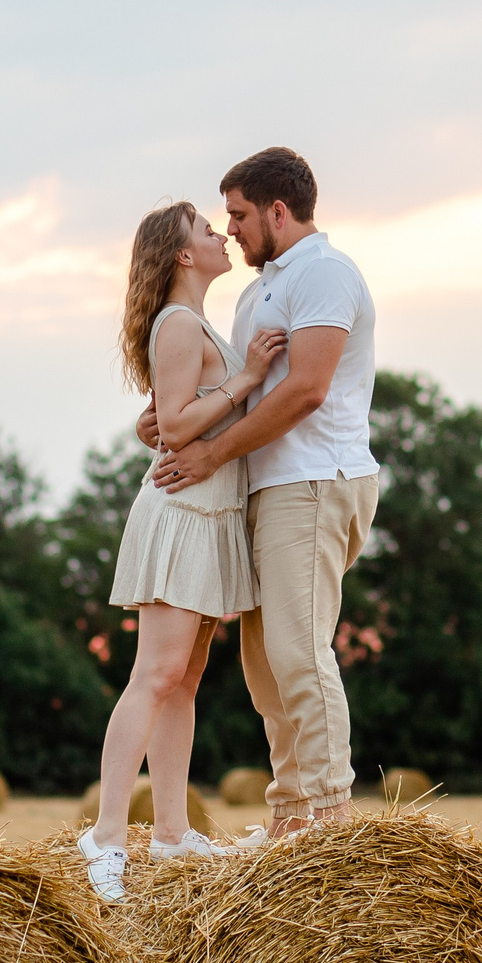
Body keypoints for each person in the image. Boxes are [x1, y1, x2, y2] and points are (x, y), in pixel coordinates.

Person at [146, 146, 381, 841]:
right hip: (264, 486)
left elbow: (306, 389)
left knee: (298, 649)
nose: (232, 229)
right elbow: (238, 394)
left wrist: (212, 451)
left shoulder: (327, 273)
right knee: (262, 663)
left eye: (240, 214)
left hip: (312, 481)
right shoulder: (259, 290)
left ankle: (331, 818)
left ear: (279, 210)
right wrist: (166, 420)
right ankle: (291, 814)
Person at [77, 199, 287, 903]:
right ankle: (106, 833)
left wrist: (226, 384)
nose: (220, 233)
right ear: (181, 255)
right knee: (155, 673)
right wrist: (248, 379)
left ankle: (171, 831)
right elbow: (172, 424)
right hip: (183, 515)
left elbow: (166, 415)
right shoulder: (176, 322)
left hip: (210, 514)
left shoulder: (194, 325)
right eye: (206, 228)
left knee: (186, 678)